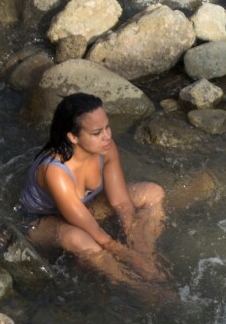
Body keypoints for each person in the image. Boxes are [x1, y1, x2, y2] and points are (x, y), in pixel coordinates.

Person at [20, 92, 168, 287]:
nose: (107, 136)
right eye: (97, 133)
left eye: (107, 127)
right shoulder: (55, 171)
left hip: (85, 209)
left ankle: (151, 260)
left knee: (152, 192)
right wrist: (129, 258)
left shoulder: (105, 147)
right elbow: (100, 237)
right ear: (73, 137)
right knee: (81, 240)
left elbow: (121, 203)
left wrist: (141, 253)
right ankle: (139, 288)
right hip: (41, 223)